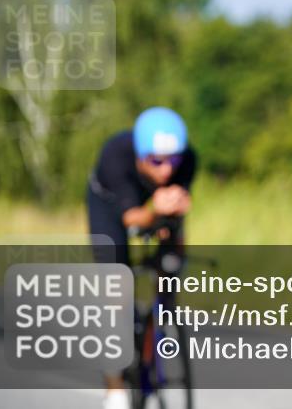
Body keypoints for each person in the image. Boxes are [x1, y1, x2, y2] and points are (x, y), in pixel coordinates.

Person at [86, 106, 196, 409]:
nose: (166, 170)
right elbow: (132, 218)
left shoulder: (187, 160)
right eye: (157, 161)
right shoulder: (116, 155)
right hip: (110, 208)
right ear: (139, 154)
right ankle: (115, 389)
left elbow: (178, 213)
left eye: (173, 159)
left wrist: (174, 254)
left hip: (154, 207)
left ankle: (153, 342)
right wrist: (155, 211)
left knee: (171, 266)